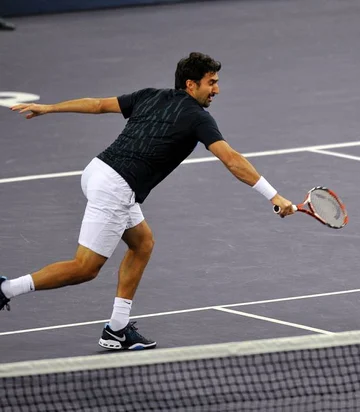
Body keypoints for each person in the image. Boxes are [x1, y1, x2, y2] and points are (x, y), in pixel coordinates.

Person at [3, 52, 295, 350]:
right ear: (191, 84)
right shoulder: (198, 118)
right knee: (85, 268)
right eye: (212, 83)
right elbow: (231, 160)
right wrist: (274, 195)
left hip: (97, 171)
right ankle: (7, 289)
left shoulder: (150, 95)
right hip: (116, 186)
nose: (217, 89)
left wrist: (49, 108)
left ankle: (116, 329)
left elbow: (98, 104)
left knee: (142, 243)